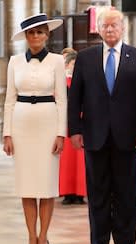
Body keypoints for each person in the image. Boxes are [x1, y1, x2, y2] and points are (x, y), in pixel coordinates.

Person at [68, 9, 136, 244]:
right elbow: (76, 99)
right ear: (99, 29)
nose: (109, 30)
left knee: (127, 194)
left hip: (128, 138)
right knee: (98, 194)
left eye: (114, 25)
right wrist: (75, 129)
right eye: (104, 26)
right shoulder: (85, 58)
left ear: (123, 27)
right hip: (95, 136)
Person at [2, 13, 67, 244]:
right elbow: (9, 99)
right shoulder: (15, 61)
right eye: (31, 33)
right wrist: (7, 133)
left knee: (47, 185)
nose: (36, 36)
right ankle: (31, 237)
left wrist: (61, 133)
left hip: (48, 123)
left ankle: (44, 238)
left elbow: (62, 99)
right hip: (21, 124)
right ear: (26, 37)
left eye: (40, 32)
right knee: (27, 186)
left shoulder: (57, 62)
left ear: (47, 35)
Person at [59, 51, 87, 205]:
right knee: (66, 162)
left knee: (80, 162)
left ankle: (80, 193)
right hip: (65, 125)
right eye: (73, 64)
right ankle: (67, 193)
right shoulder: (61, 82)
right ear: (66, 65)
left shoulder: (85, 81)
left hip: (82, 124)